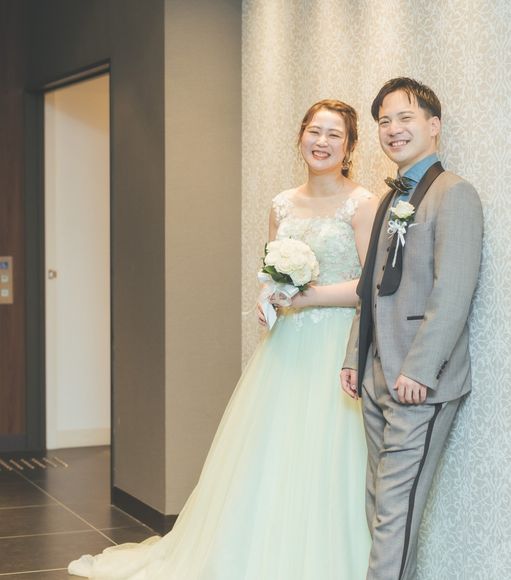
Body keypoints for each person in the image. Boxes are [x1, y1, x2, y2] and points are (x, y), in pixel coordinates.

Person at [68, 99, 378, 579]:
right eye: (314, 131)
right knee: (271, 453)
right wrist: (267, 297)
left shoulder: (362, 203)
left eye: (334, 134)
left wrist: (308, 297)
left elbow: (369, 285)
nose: (322, 142)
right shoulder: (282, 203)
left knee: (326, 455)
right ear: (300, 136)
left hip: (336, 346)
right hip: (285, 348)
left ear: (350, 146)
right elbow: (273, 269)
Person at [340, 77, 483, 580]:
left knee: (395, 510)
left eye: (405, 118)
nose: (393, 129)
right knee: (380, 503)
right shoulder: (391, 197)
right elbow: (371, 286)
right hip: (377, 374)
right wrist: (354, 357)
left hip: (419, 380)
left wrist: (420, 369)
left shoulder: (454, 193)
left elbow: (453, 292)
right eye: (385, 121)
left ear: (433, 125)